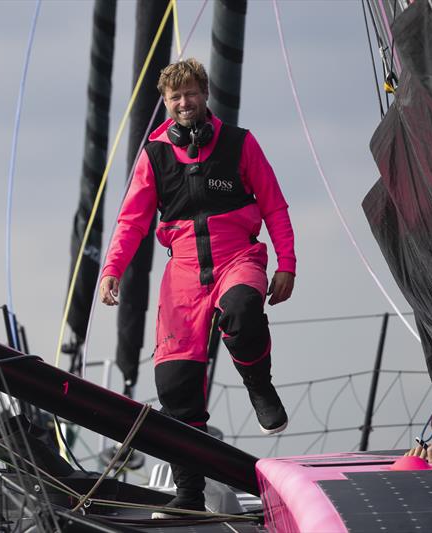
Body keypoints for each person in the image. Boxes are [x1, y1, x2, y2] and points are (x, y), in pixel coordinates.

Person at [99, 58, 296, 517]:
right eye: (175, 97)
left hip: (237, 257)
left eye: (190, 93)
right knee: (174, 384)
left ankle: (260, 387)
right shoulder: (154, 155)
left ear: (205, 95)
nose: (184, 103)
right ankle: (188, 491)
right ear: (166, 105)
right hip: (184, 273)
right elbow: (132, 220)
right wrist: (112, 270)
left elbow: (275, 205)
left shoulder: (240, 144)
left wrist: (287, 263)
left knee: (244, 311)